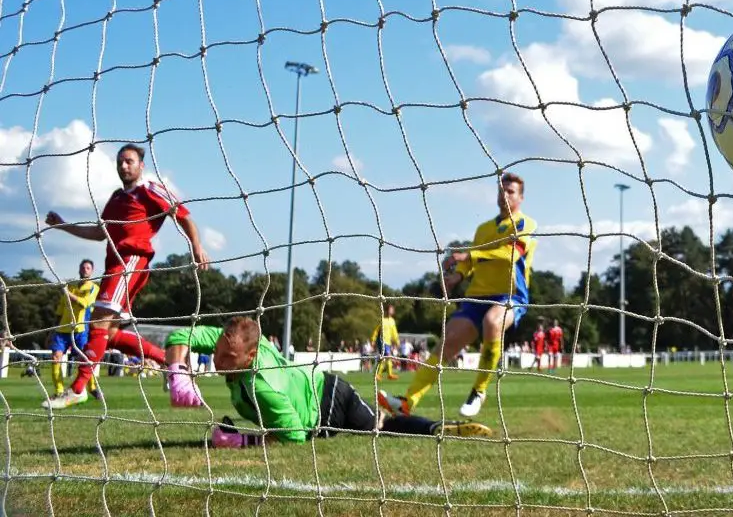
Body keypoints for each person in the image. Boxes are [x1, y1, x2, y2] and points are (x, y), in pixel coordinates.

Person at [42, 143, 210, 409]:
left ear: (141, 165)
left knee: (98, 320)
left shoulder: (150, 190)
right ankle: (171, 363)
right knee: (108, 334)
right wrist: (63, 225)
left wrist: (196, 246)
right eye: (120, 161)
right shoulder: (117, 198)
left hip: (131, 261)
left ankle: (78, 388)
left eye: (129, 161)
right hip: (115, 265)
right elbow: (100, 234)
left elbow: (183, 216)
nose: (124, 166)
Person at [165, 317, 492, 447]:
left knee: (379, 428)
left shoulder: (261, 387)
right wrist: (178, 370)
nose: (219, 361)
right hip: (320, 388)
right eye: (218, 352)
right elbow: (181, 334)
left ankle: (440, 428)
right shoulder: (239, 342)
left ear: (250, 358)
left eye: (228, 358)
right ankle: (435, 426)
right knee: (379, 426)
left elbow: (293, 436)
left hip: (331, 401)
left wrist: (242, 442)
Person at [380, 173, 537, 418]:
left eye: (511, 191)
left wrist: (468, 257)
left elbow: (510, 254)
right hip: (476, 297)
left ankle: (479, 390)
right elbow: (471, 262)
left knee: (492, 322)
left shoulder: (525, 224)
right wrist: (458, 276)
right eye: (502, 190)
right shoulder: (483, 229)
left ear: (521, 198)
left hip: (510, 296)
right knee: (448, 341)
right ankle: (407, 401)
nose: (504, 195)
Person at [48, 259, 102, 400]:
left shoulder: (94, 288)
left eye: (88, 268)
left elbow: (84, 303)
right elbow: (59, 311)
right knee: (55, 359)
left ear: (92, 271)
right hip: (61, 331)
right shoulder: (70, 287)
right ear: (79, 269)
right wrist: (52, 331)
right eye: (83, 267)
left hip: (80, 330)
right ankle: (59, 391)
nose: (85, 269)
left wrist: (66, 293)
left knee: (84, 360)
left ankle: (92, 388)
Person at [370, 304, 401, 381]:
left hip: (388, 342)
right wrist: (373, 340)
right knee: (385, 357)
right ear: (386, 310)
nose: (391, 311)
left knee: (387, 358)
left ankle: (389, 374)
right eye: (390, 309)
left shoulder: (392, 321)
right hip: (381, 341)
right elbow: (376, 330)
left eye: (392, 310)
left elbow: (394, 332)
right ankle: (378, 375)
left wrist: (397, 341)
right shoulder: (382, 320)